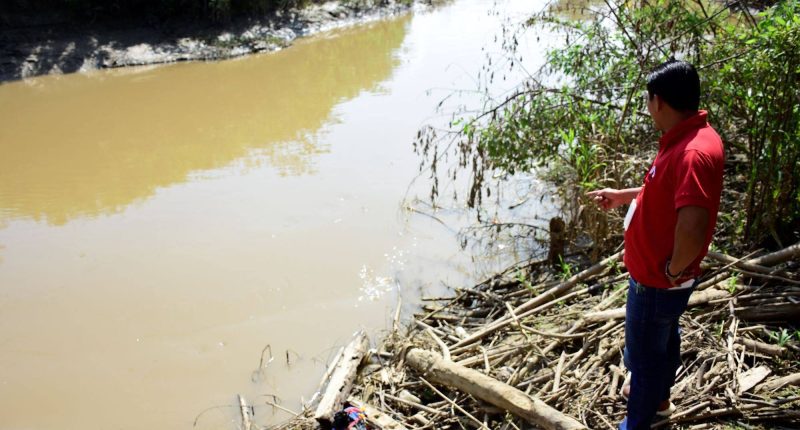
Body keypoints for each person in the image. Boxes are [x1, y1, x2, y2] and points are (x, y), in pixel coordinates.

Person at [587, 59, 725, 430]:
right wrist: (624, 196)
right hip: (661, 279)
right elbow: (663, 191)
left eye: (648, 100)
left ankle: (637, 423)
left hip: (657, 281)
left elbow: (693, 226)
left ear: (658, 101)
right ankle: (660, 401)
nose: (648, 108)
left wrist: (673, 269)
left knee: (645, 360)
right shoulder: (690, 138)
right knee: (663, 340)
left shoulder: (692, 153)